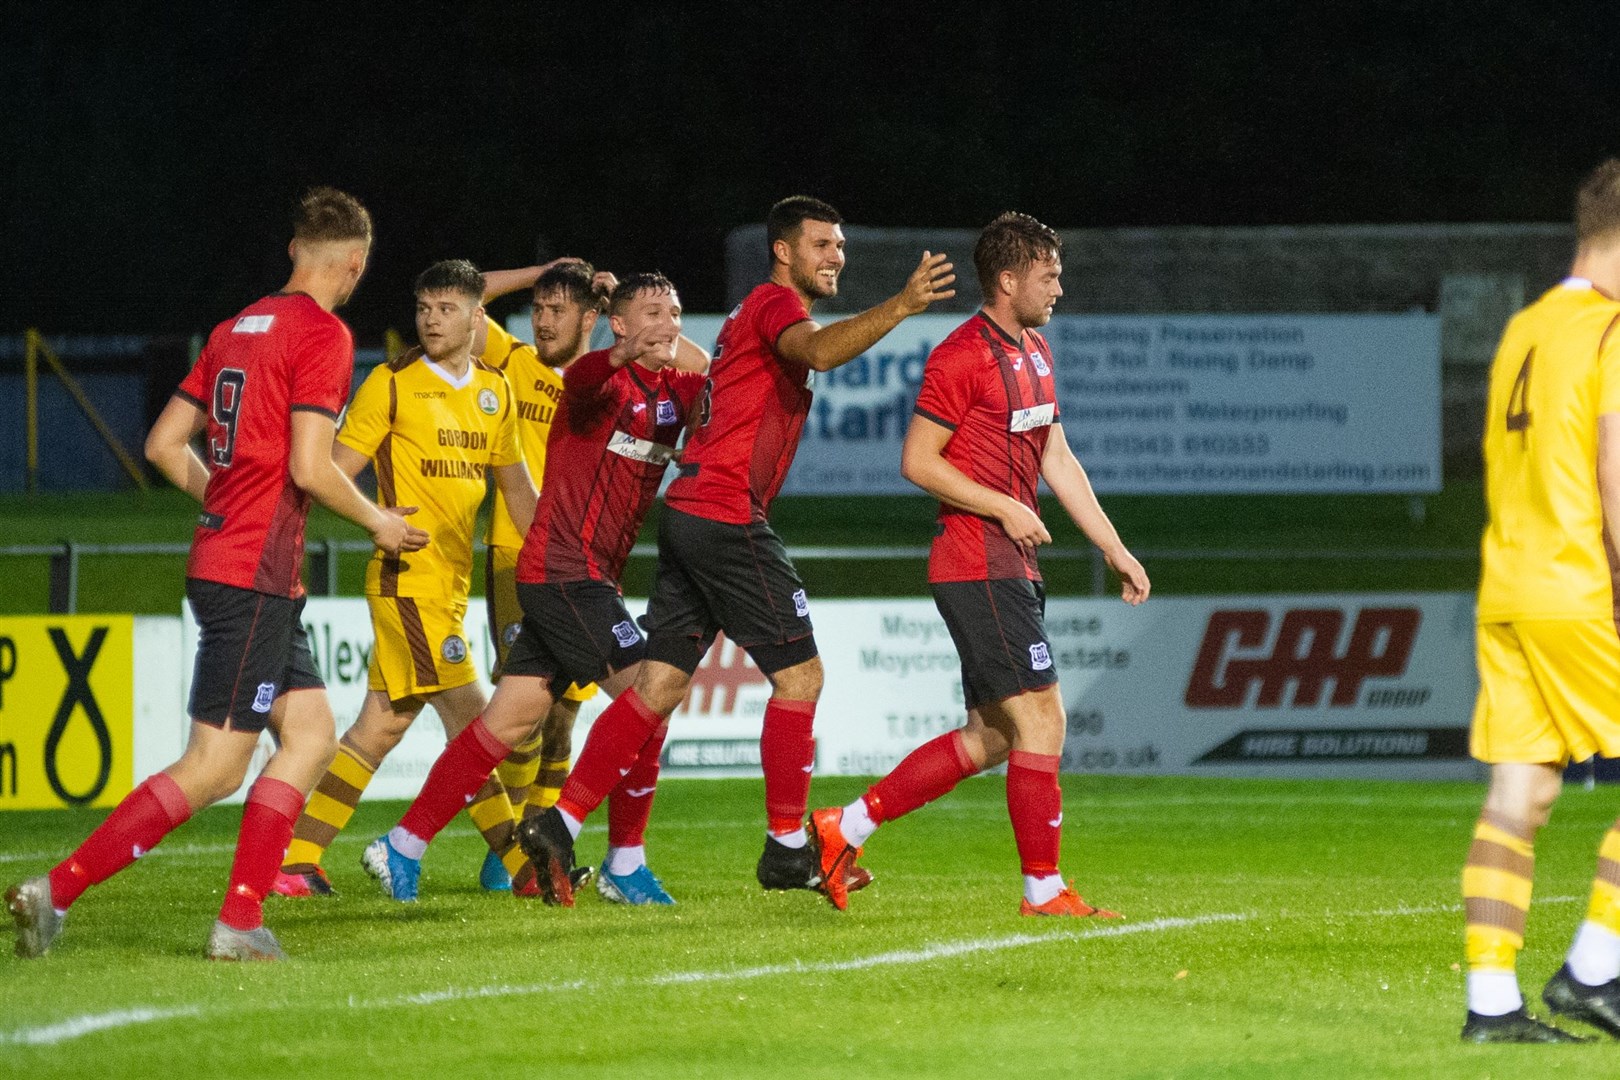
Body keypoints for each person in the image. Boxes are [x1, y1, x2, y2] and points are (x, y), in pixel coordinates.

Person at [5, 187, 428, 961]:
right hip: (253, 574)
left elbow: (166, 443)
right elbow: (309, 466)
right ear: (356, 265)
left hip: (231, 561)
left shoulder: (236, 327)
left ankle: (242, 913)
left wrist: (230, 498)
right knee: (216, 764)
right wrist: (380, 522)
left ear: (295, 250)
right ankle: (63, 892)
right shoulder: (325, 335)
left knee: (309, 735)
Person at [518, 196, 954, 904]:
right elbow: (817, 351)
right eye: (821, 244)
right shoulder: (775, 305)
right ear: (783, 251)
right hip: (723, 515)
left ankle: (561, 824)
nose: (835, 255)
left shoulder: (747, 317)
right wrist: (900, 306)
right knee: (801, 677)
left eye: (839, 244)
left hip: (691, 510)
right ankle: (786, 847)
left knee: (657, 687)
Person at [807, 212, 1148, 913]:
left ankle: (847, 826)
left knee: (993, 735)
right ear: (1008, 278)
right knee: (1044, 721)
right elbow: (917, 461)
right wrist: (1000, 504)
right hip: (977, 561)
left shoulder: (1036, 353)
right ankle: (1043, 889)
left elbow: (1058, 457)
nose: (1060, 286)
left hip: (1008, 564)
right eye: (1049, 275)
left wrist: (1113, 547)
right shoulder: (961, 354)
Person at [364, 273, 707, 906]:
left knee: (509, 721)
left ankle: (401, 846)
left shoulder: (675, 392)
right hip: (561, 568)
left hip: (584, 575)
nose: (669, 323)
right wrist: (625, 347)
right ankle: (622, 860)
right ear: (618, 326)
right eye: (652, 312)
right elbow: (579, 380)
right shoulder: (592, 381)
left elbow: (706, 370)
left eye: (676, 311)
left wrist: (663, 334)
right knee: (649, 697)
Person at [272, 259, 540, 901]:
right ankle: (524, 867)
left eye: (447, 309)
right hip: (405, 580)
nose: (431, 319)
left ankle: (297, 859)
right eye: (424, 308)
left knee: (380, 727)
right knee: (482, 725)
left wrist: (558, 552)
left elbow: (516, 487)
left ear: (479, 317)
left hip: (448, 588)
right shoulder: (390, 385)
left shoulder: (494, 391)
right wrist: (375, 519)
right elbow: (330, 469)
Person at [1457, 159, 1620, 1043]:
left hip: (1509, 585)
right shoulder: (1609, 330)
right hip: (1575, 584)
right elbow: (1613, 462)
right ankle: (1594, 970)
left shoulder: (1526, 325)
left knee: (1518, 797)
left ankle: (1491, 1008)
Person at [472, 260, 614, 892]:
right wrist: (543, 273)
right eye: (540, 308)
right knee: (524, 710)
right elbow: (464, 293)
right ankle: (510, 852)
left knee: (563, 718)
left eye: (558, 310)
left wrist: (619, 302)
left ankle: (539, 847)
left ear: (589, 319)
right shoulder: (514, 361)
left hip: (584, 565)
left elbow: (694, 366)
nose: (543, 319)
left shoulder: (608, 378)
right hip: (514, 555)